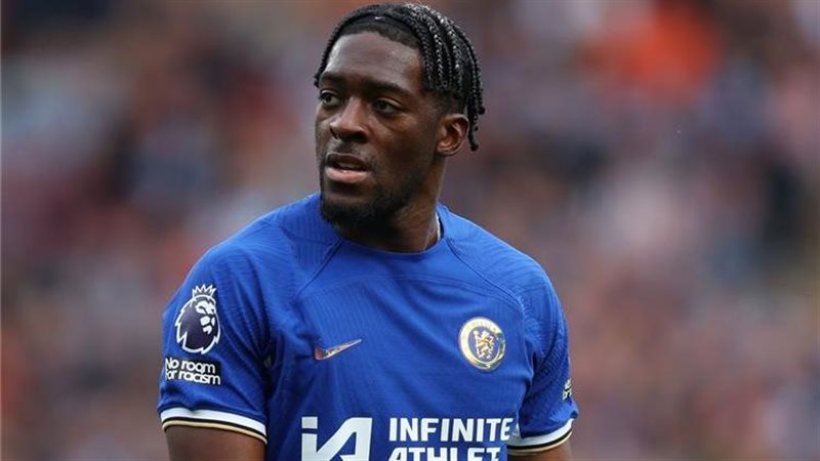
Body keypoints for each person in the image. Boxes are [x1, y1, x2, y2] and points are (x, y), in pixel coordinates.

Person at [158, 3, 578, 460]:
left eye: (383, 106)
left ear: (449, 135)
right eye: (331, 98)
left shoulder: (519, 294)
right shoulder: (241, 283)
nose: (345, 123)